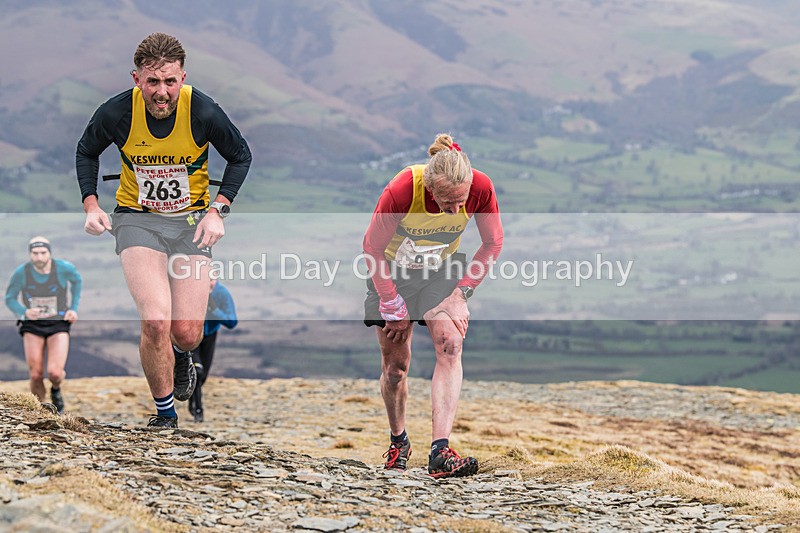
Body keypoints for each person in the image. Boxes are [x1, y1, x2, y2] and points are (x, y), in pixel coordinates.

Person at [75, 33, 251, 428]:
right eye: (153, 82)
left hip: (191, 224)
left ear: (182, 78)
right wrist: (91, 204)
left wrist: (218, 210)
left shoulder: (202, 111)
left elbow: (241, 156)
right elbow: (86, 151)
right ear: (136, 78)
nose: (162, 92)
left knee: (187, 333)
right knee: (154, 321)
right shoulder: (116, 112)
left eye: (170, 82)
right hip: (137, 219)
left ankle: (183, 354)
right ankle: (165, 416)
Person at [362, 133, 504, 478]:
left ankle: (440, 450)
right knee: (396, 368)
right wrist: (391, 302)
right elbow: (372, 248)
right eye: (447, 203)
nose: (456, 210)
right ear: (430, 189)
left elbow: (493, 243)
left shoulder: (480, 186)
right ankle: (399, 442)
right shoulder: (402, 189)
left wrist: (461, 295)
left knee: (451, 344)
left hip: (442, 271)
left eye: (461, 202)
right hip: (391, 272)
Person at [5, 237, 83, 414]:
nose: (39, 257)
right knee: (35, 374)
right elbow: (9, 298)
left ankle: (56, 389)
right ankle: (40, 410)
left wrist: (73, 308)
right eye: (35, 253)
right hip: (33, 325)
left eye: (43, 253)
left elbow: (77, 281)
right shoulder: (22, 273)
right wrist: (24, 312)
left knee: (55, 373)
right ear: (30, 254)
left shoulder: (63, 268)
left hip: (58, 323)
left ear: (49, 253)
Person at [187, 278, 238, 423]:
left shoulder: (221, 293)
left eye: (210, 279)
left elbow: (232, 322)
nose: (207, 282)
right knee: (197, 371)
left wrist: (214, 310)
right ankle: (198, 410)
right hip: (192, 334)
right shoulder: (190, 291)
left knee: (202, 377)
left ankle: (192, 398)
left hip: (210, 335)